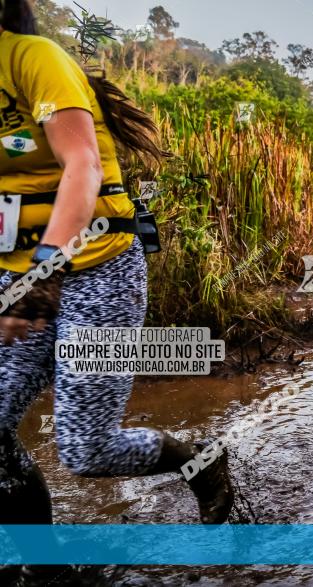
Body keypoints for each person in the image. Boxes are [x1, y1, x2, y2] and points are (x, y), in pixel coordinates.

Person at [0, 0, 233, 563]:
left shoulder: (33, 58)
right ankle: (38, 558)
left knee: (86, 448)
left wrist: (42, 276)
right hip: (15, 276)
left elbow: (84, 165)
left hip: (97, 269)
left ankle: (198, 459)